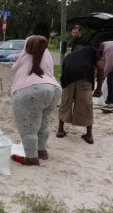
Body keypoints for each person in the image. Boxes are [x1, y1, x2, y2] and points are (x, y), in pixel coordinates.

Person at [10, 36, 61, 166]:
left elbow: (14, 68)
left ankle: (31, 158)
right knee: (43, 122)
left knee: (28, 127)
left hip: (30, 90)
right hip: (54, 89)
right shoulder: (47, 55)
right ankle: (42, 151)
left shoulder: (24, 57)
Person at [57, 46, 104, 144]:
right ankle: (89, 135)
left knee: (65, 102)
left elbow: (63, 72)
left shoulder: (69, 56)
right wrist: (99, 88)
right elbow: (100, 67)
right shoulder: (93, 49)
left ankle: (60, 130)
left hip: (68, 77)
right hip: (84, 76)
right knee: (86, 105)